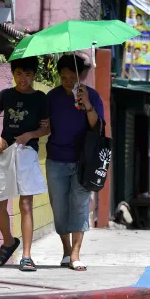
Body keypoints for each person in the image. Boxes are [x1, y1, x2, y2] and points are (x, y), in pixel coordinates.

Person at [0, 56, 50, 271]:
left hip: (27, 152)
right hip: (6, 152)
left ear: (34, 75)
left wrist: (29, 134)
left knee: (25, 204)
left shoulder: (40, 98)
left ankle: (27, 256)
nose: (23, 78)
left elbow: (46, 128)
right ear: (14, 74)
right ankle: (8, 241)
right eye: (19, 74)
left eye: (28, 74)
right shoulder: (5, 95)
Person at [43, 54, 105, 272]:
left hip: (83, 161)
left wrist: (86, 103)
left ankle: (76, 254)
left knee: (79, 206)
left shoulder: (93, 96)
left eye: (72, 77)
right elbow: (46, 126)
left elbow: (96, 126)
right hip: (56, 159)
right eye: (63, 77)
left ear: (81, 76)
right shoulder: (52, 97)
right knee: (59, 207)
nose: (68, 82)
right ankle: (66, 250)